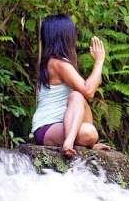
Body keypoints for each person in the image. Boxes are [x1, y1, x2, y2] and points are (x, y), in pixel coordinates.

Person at [30, 14, 109, 158]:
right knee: (78, 97)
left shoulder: (55, 62)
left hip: (60, 127)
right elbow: (89, 91)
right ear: (65, 36)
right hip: (47, 127)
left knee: (89, 131)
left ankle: (74, 141)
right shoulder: (58, 63)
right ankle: (69, 142)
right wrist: (99, 62)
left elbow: (90, 87)